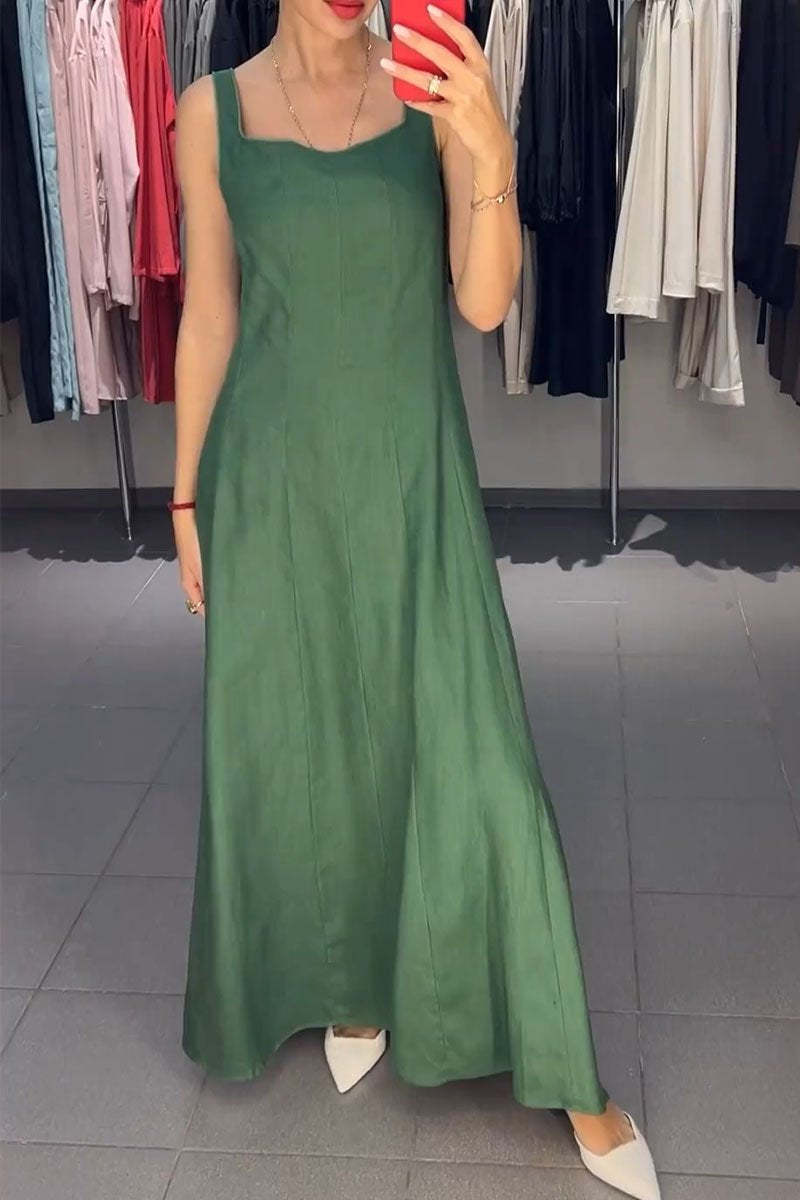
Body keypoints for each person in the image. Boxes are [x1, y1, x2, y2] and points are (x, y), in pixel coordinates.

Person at [170, 4, 660, 1197]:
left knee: (476, 750)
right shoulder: (209, 112)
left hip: (410, 482)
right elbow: (212, 315)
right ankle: (351, 986)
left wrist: (489, 149)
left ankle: (569, 1075)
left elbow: (482, 304)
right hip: (270, 487)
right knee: (313, 739)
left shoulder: (430, 89)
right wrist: (185, 498)